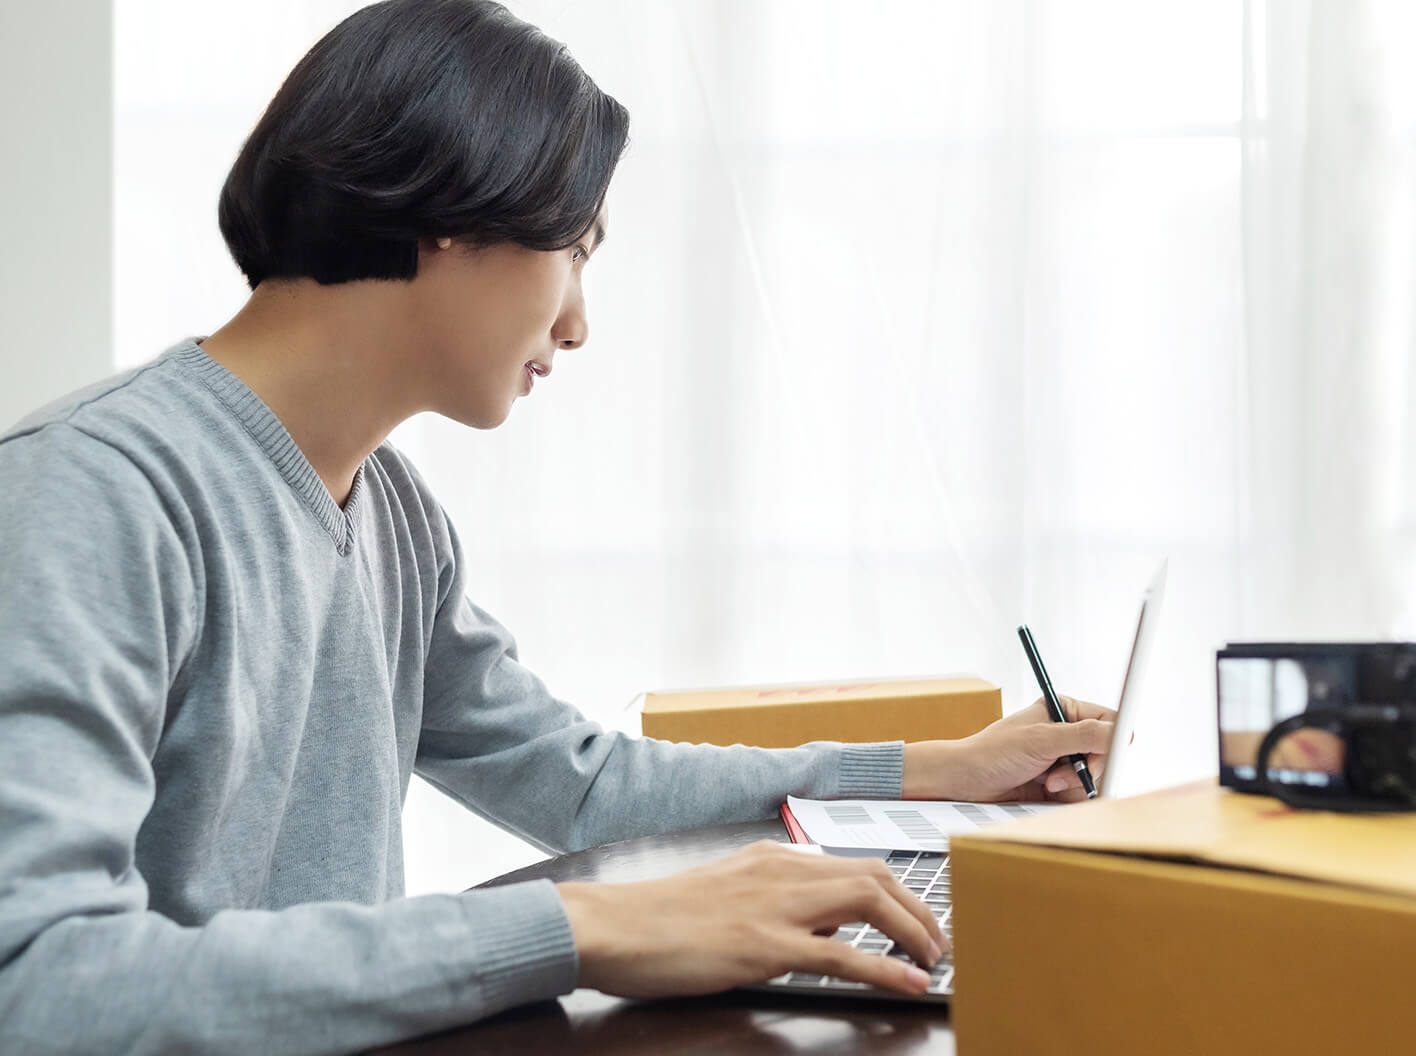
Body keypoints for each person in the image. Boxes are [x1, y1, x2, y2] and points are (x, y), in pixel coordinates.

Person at [0, 2, 1116, 1052]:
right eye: (576, 249)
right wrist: (582, 931)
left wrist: (945, 768)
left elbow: (584, 782)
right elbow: (41, 981)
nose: (578, 323)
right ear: (452, 214)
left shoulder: (393, 517)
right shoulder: (91, 494)